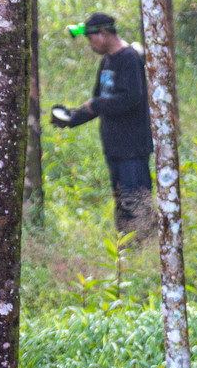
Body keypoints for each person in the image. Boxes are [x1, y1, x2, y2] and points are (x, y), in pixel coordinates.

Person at [49, 12, 155, 237]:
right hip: (114, 148)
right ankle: (126, 251)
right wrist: (71, 119)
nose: (90, 44)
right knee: (122, 204)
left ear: (104, 33)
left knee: (136, 202)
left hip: (132, 148)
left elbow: (131, 98)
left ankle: (146, 247)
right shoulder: (107, 61)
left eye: (91, 38)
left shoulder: (129, 59)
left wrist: (96, 104)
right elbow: (99, 102)